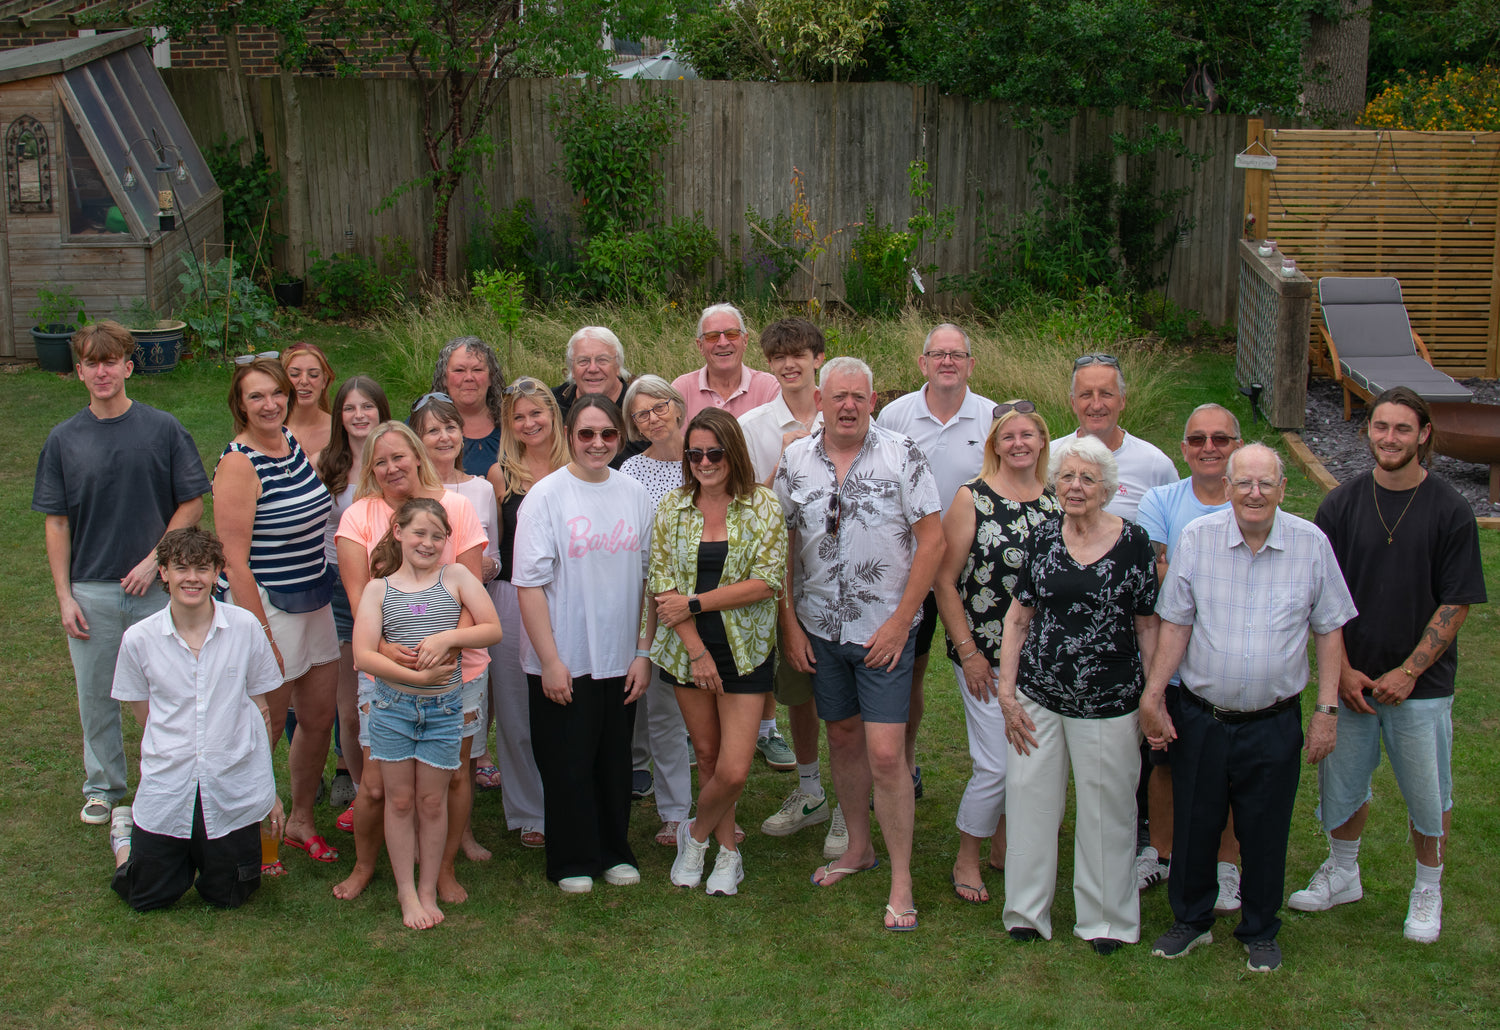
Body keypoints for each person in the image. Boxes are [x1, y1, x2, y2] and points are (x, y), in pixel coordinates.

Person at [1141, 443, 1356, 973]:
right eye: (1244, 484)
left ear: (1283, 489)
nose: (1254, 493)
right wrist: (1153, 695)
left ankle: (1259, 927)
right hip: (1202, 715)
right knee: (1195, 822)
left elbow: (1329, 629)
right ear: (1228, 488)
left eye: (1265, 484)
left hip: (1274, 719)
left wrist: (1326, 711)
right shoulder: (1198, 539)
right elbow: (1177, 622)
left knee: (1265, 828)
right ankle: (1190, 922)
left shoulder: (1310, 544)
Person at [1289, 387, 1486, 944]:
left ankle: (1428, 888)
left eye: (1403, 429)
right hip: (1351, 681)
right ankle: (1342, 871)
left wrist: (1410, 672)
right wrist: (1344, 670)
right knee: (1343, 785)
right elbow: (1321, 598)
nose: (1390, 438)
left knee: (1429, 794)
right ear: (1367, 431)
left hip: (1420, 689)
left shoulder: (1450, 509)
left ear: (1423, 434)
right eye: (1381, 427)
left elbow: (1456, 601)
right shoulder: (1340, 505)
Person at [775, 357, 943, 932]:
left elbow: (931, 541)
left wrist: (901, 623)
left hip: (884, 633)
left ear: (873, 400)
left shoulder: (903, 454)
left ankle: (902, 877)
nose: (848, 405)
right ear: (819, 401)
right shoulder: (795, 459)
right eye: (837, 396)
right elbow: (783, 546)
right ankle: (858, 848)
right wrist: (791, 624)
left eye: (858, 396)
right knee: (842, 738)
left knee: (888, 754)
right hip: (820, 627)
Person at [33, 320, 209, 826]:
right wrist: (65, 595)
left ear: (129, 367)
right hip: (91, 589)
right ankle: (103, 786)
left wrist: (154, 559)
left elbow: (192, 502)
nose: (102, 371)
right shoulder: (64, 440)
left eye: (111, 361)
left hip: (157, 589)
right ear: (80, 372)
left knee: (170, 689)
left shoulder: (163, 428)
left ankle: (174, 776)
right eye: (92, 362)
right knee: (96, 696)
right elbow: (58, 521)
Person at [996, 434, 1159, 955]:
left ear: (1107, 489)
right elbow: (1018, 618)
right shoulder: (1042, 537)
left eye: (1087, 478)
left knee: (1107, 809)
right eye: (1066, 476)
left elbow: (1148, 626)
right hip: (1039, 695)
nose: (1075, 486)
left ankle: (1107, 919)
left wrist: (1153, 696)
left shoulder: (1133, 541)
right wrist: (1007, 692)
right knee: (1029, 801)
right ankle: (1025, 910)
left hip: (1110, 700)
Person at [332, 421, 488, 902]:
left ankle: (441, 869)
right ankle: (364, 865)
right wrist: (383, 651)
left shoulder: (456, 507)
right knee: (377, 782)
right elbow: (361, 598)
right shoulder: (359, 515)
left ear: (418, 455)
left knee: (455, 773)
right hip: (384, 668)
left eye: (399, 457)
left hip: (455, 669)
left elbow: (470, 590)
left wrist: (445, 646)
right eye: (379, 462)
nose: (391, 468)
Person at [512, 395, 655, 893]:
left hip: (620, 656)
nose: (598, 444)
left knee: (614, 759)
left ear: (619, 436)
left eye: (608, 434)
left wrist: (642, 651)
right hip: (565, 655)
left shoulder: (634, 493)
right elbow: (528, 585)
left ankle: (614, 849)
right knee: (567, 761)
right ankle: (571, 858)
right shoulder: (547, 496)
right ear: (569, 434)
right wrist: (551, 660)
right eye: (586, 434)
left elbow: (649, 580)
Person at [107, 527, 283, 911]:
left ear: (218, 571)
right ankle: (125, 836)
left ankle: (202, 848)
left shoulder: (245, 628)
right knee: (145, 896)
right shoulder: (139, 639)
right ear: (164, 573)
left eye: (202, 569)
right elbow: (145, 717)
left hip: (231, 784)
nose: (192, 578)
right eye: (181, 568)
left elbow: (261, 710)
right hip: (169, 787)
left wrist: (266, 793)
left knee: (232, 895)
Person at [652, 409, 788, 895]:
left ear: (733, 452)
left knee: (733, 768)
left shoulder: (763, 506)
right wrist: (696, 650)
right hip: (688, 648)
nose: (705, 461)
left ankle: (695, 834)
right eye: (695, 453)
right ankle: (727, 853)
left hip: (745, 649)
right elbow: (661, 584)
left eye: (714, 452)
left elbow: (766, 581)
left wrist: (695, 601)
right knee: (707, 756)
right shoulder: (672, 506)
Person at [212, 358, 340, 865]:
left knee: (317, 718)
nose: (270, 404)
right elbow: (233, 561)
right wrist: (260, 635)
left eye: (276, 394)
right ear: (239, 406)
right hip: (267, 604)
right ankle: (249, 833)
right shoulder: (239, 463)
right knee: (261, 727)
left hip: (314, 597)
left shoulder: (290, 443)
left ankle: (300, 819)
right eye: (256, 397)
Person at [353, 498, 502, 930]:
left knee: (432, 800)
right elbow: (363, 655)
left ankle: (427, 888)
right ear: (397, 532)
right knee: (399, 800)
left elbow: (492, 627)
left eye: (438, 536)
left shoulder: (454, 576)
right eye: (419, 532)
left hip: (444, 709)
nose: (429, 542)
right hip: (393, 708)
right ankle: (406, 893)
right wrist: (415, 679)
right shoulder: (378, 588)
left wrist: (449, 637)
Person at [933, 400, 1061, 905]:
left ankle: (1005, 846)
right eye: (1009, 437)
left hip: (1041, 657)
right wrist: (967, 651)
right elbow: (944, 581)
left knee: (1028, 756)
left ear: (1043, 442)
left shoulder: (1056, 502)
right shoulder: (973, 499)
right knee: (997, 765)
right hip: (983, 653)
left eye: (1028, 435)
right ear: (995, 445)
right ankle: (969, 852)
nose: (1019, 444)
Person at [877, 323, 996, 804]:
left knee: (986, 664)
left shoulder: (991, 417)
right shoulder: (895, 414)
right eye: (937, 354)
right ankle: (904, 764)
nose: (947, 362)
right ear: (922, 363)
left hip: (980, 569)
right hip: (916, 567)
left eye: (957, 354)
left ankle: (996, 771)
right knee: (912, 669)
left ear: (970, 364)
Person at [1134, 404, 1244, 903]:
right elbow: (1155, 570)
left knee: (1232, 769)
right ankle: (1160, 853)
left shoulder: (1251, 499)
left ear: (1236, 446)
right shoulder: (1162, 499)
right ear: (1183, 449)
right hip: (1170, 659)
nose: (1208, 448)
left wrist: (1182, 579)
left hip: (1233, 660)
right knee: (1163, 760)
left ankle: (1226, 866)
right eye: (1198, 439)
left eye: (1220, 439)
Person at [739, 318, 838, 852]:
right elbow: (748, 503)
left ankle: (847, 799)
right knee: (799, 686)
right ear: (770, 364)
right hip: (786, 575)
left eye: (799, 353)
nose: (789, 364)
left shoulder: (845, 408)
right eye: (779, 357)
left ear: (817, 357)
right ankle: (809, 788)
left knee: (849, 694)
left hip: (846, 579)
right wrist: (786, 460)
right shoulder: (755, 424)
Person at [409, 392, 503, 860]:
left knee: (460, 761)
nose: (443, 436)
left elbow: (488, 564)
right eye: (431, 429)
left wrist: (457, 637)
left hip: (464, 635)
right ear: (417, 440)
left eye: (450, 427)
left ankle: (460, 836)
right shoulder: (406, 496)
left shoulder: (481, 490)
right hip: (413, 636)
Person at [489, 377, 568, 850]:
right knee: (517, 708)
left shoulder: (577, 464)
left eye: (537, 413)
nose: (529, 423)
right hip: (514, 598)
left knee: (566, 698)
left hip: (570, 595)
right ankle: (527, 809)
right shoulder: (501, 475)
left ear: (553, 416)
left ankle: (567, 796)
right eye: (519, 417)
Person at [619, 376, 694, 845]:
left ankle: (719, 808)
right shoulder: (629, 474)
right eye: (641, 414)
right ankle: (674, 812)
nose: (653, 418)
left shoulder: (706, 454)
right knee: (664, 711)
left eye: (659, 407)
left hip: (709, 596)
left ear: (678, 405)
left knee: (716, 712)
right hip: (651, 598)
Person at [316, 376, 392, 829]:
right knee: (351, 704)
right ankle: (365, 794)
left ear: (382, 411)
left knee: (393, 692)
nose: (359, 415)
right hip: (343, 593)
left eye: (368, 406)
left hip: (398, 592)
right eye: (349, 408)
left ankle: (395, 785)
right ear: (338, 416)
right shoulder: (327, 466)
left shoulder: (399, 457)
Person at [1068, 353, 1176, 522]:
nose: (1096, 405)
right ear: (1073, 403)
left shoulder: (1156, 465)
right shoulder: (1050, 457)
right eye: (1086, 395)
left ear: (1122, 400)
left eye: (1106, 394)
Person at [551, 326, 646, 465]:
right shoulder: (551, 405)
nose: (593, 369)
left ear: (618, 366)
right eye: (583, 361)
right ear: (572, 368)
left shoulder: (642, 407)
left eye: (602, 360)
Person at [672, 303, 780, 420]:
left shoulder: (769, 388)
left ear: (745, 341)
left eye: (732, 334)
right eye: (712, 336)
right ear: (700, 346)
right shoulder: (681, 390)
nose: (723, 343)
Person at [429, 336, 506, 476]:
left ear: (490, 378)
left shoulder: (516, 424)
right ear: (444, 378)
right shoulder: (420, 428)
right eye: (459, 370)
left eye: (477, 370)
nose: (469, 377)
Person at [281, 341, 335, 463]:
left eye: (313, 375)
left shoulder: (339, 431)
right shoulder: (269, 430)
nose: (304, 381)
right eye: (295, 374)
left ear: (324, 381)